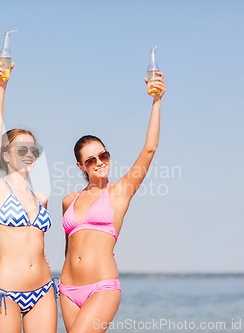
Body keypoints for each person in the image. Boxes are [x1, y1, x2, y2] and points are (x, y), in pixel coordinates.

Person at [59, 72, 166, 332]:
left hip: (102, 288)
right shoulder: (69, 200)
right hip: (67, 290)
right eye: (91, 160)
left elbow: (149, 149)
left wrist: (157, 101)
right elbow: (69, 249)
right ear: (80, 166)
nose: (99, 162)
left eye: (103, 155)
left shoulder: (120, 192)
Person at [0, 56, 57, 333]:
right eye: (21, 149)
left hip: (43, 290)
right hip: (7, 294)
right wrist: (1, 87)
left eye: (33, 150)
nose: (29, 155)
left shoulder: (40, 195)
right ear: (5, 154)